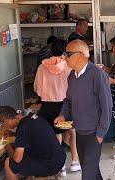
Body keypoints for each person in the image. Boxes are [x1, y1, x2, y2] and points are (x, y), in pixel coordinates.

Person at [55, 40, 112, 180]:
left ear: (81, 55)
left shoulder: (97, 74)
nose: (64, 57)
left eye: (68, 54)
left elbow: (107, 105)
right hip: (79, 131)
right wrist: (63, 115)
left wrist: (101, 133)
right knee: (91, 170)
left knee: (88, 174)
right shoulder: (72, 76)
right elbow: (68, 101)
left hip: (94, 133)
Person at [34, 39, 81, 176]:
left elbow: (37, 89)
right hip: (65, 107)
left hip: (47, 107)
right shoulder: (68, 66)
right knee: (71, 132)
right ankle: (75, 162)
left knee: (56, 134)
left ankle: (60, 166)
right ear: (65, 51)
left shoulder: (42, 67)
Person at [0, 106, 66, 180]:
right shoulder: (32, 117)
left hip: (50, 164)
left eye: (2, 124)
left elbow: (17, 159)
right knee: (25, 152)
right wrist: (12, 134)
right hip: (59, 157)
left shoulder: (22, 127)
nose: (3, 127)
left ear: (6, 120)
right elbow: (31, 134)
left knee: (8, 163)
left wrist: (7, 146)